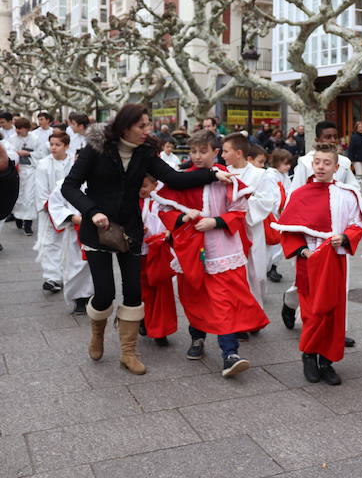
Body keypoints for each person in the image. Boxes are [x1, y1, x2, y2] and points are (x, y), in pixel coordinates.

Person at [61, 104, 230, 375]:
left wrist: (213, 174)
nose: (147, 130)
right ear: (125, 126)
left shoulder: (144, 153)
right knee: (104, 294)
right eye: (142, 126)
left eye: (148, 125)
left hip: (129, 229)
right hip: (98, 230)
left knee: (133, 292)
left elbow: (174, 179)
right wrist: (92, 211)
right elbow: (69, 186)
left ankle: (128, 352)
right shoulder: (97, 149)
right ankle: (97, 333)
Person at [154, 129, 269, 377]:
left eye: (203, 151)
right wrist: (183, 216)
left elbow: (239, 211)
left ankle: (230, 352)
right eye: (193, 151)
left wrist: (215, 222)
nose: (197, 156)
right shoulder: (182, 179)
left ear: (215, 152)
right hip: (190, 250)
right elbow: (164, 210)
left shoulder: (227, 180)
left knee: (223, 301)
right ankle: (197, 338)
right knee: (194, 296)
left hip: (222, 250)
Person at [273, 144, 362, 386]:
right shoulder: (299, 195)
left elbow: (357, 224)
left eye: (327, 163)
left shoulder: (348, 194)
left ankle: (327, 360)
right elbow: (288, 230)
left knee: (333, 312)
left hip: (336, 259)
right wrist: (303, 250)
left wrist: (345, 237)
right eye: (317, 162)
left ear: (336, 167)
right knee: (311, 311)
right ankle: (309, 355)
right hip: (309, 261)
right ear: (311, 164)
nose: (321, 166)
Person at [282, 121, 360, 336]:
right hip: (310, 230)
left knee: (338, 285)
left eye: (335, 136)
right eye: (327, 137)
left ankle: (338, 330)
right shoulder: (306, 163)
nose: (332, 141)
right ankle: (291, 304)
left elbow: (353, 188)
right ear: (317, 140)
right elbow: (295, 193)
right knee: (305, 283)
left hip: (336, 232)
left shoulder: (343, 162)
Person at [222, 132, 280, 311]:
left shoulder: (259, 174)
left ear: (238, 153)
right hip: (228, 230)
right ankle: (239, 314)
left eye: (225, 151)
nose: (222, 155)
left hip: (251, 228)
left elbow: (268, 200)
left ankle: (255, 311)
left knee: (257, 274)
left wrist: (243, 202)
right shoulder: (222, 173)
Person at [138, 175, 177, 347]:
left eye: (145, 186)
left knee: (162, 288)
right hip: (139, 252)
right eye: (139, 186)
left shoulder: (162, 202)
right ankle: (144, 319)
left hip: (159, 250)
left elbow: (173, 222)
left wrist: (168, 233)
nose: (142, 190)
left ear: (155, 185)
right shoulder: (133, 201)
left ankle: (161, 330)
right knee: (142, 289)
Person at [33, 130, 73, 294]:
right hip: (50, 209)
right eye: (51, 144)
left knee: (69, 243)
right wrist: (49, 207)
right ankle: (52, 277)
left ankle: (68, 276)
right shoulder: (43, 164)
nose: (53, 148)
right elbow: (41, 189)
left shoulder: (74, 163)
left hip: (71, 210)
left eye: (58, 145)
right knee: (50, 243)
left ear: (66, 146)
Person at [47, 186, 93, 314]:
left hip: (95, 230)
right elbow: (55, 204)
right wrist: (73, 218)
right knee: (73, 265)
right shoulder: (65, 184)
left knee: (92, 266)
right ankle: (78, 299)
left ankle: (91, 297)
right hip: (74, 231)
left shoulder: (100, 180)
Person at [264, 148, 294, 283]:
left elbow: (289, 191)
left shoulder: (284, 175)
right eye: (285, 163)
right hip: (273, 214)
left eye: (289, 163)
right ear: (277, 162)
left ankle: (273, 266)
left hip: (282, 214)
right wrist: (281, 208)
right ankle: (269, 267)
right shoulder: (270, 175)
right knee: (272, 242)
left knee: (279, 243)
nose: (288, 166)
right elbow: (273, 195)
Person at [9, 118, 39, 236]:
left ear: (27, 128)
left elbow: (41, 153)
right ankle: (18, 217)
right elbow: (8, 152)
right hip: (18, 171)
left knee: (29, 197)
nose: (18, 130)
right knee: (18, 196)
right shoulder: (11, 139)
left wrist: (29, 153)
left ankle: (28, 224)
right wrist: (16, 153)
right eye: (16, 128)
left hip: (30, 171)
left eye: (20, 128)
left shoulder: (35, 139)